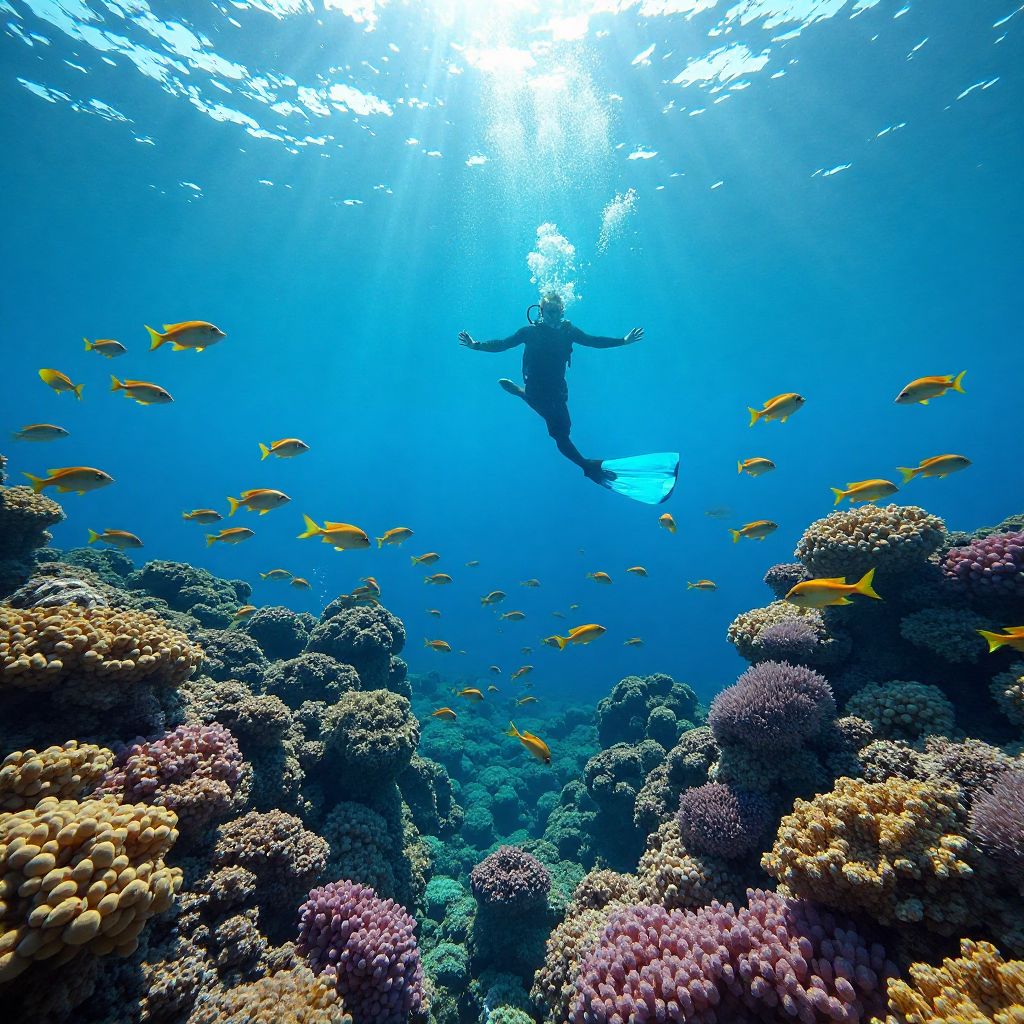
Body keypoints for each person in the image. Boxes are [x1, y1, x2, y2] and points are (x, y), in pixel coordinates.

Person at [459, 292, 643, 484]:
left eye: (557, 312)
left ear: (562, 311)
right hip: (536, 390)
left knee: (565, 430)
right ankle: (586, 466)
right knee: (558, 433)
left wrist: (623, 341)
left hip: (557, 391)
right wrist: (475, 345)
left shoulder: (568, 331)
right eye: (549, 312)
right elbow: (503, 344)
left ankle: (520, 393)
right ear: (541, 312)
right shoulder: (529, 332)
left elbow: (593, 341)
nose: (553, 317)